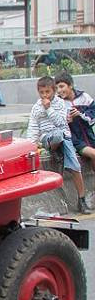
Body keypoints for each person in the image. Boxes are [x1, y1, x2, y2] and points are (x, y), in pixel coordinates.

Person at [27, 76, 90, 213]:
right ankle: (55, 150)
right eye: (42, 92)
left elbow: (62, 123)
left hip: (63, 137)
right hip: (47, 138)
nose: (45, 95)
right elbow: (33, 127)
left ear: (53, 91)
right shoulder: (36, 108)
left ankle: (82, 199)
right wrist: (31, 145)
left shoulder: (61, 104)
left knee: (75, 165)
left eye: (47, 92)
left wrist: (49, 109)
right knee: (57, 135)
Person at [55, 73, 95, 169]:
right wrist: (66, 121)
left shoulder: (84, 97)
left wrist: (80, 115)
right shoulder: (58, 102)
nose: (59, 91)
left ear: (71, 85)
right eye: (57, 88)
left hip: (89, 137)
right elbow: (55, 124)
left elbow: (93, 114)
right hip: (74, 141)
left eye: (61, 86)